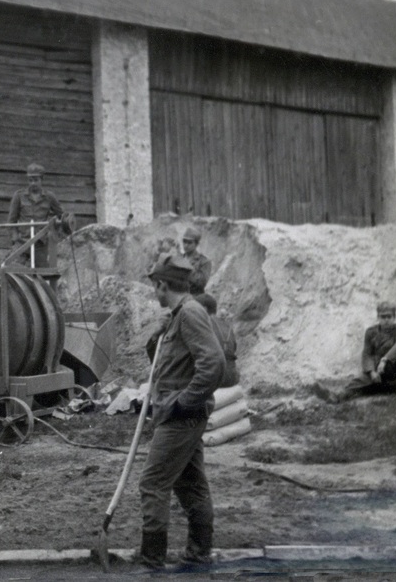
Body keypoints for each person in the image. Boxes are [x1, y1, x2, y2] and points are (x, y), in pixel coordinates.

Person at [139, 254, 225, 572]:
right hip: (176, 412)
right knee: (189, 483)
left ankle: (152, 561)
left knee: (152, 483)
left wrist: (185, 402)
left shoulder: (190, 313)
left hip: (180, 415)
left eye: (155, 286)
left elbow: (213, 363)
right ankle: (199, 553)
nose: (154, 292)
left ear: (163, 285)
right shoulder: (177, 315)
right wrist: (157, 335)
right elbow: (165, 365)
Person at [313, 301, 396, 403]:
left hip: (394, 377)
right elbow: (367, 354)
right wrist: (371, 372)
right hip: (378, 375)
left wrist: (385, 360)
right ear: (378, 317)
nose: (386, 320)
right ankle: (335, 397)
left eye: (389, 317)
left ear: (394, 317)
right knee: (357, 384)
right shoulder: (371, 332)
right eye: (383, 317)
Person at [7, 163, 66, 268]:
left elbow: (62, 216)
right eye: (30, 180)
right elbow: (11, 221)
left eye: (36, 180)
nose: (33, 183)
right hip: (22, 242)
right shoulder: (19, 196)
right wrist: (15, 238)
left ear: (42, 179)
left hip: (40, 243)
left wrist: (56, 231)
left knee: (43, 273)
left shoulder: (49, 197)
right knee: (11, 269)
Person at [196, 293, 239, 388]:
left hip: (214, 378)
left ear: (204, 309)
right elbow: (234, 348)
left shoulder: (203, 323)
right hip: (231, 377)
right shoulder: (227, 325)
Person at [181, 227, 212, 296]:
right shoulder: (179, 258)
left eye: (189, 242)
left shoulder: (204, 261)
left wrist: (186, 267)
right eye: (184, 241)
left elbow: (201, 283)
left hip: (195, 296)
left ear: (196, 244)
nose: (186, 245)